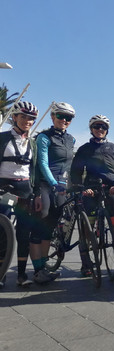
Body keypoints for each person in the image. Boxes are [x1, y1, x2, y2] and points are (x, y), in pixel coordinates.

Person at [70, 115, 114, 277]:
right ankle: (86, 264)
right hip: (91, 192)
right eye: (96, 126)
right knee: (86, 230)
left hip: (110, 191)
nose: (100, 130)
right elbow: (75, 172)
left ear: (107, 130)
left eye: (103, 127)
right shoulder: (84, 149)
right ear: (91, 129)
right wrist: (82, 188)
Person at [30, 102, 76, 284]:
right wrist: (52, 183)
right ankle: (37, 270)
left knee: (50, 227)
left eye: (68, 118)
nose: (64, 120)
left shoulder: (71, 139)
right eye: (60, 116)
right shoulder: (44, 137)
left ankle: (43, 268)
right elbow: (42, 162)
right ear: (52, 117)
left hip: (62, 187)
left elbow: (70, 165)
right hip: (45, 185)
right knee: (40, 224)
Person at [0, 101, 41, 287]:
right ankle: (1, 274)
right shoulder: (2, 138)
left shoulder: (32, 142)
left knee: (24, 232)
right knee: (2, 231)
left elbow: (35, 171)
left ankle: (22, 275)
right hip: (3, 187)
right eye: (23, 117)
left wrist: (37, 193)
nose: (27, 121)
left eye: (31, 118)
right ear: (14, 117)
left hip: (25, 189)